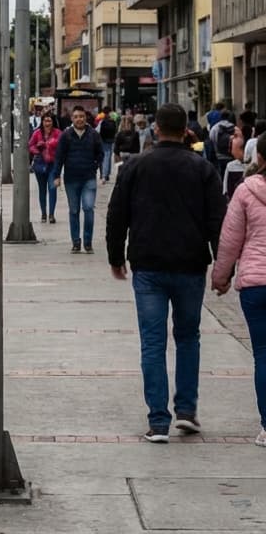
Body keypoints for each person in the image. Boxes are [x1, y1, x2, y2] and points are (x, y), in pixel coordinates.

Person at [106, 103, 226, 443]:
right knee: (188, 338)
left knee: (153, 343)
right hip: (190, 264)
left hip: (148, 266)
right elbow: (217, 221)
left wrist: (116, 257)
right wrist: (222, 266)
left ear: (156, 129)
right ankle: (186, 411)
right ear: (186, 130)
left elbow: (117, 214)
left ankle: (158, 422)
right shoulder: (203, 169)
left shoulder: (135, 166)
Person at [211, 132, 266, 448]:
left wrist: (220, 277)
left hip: (256, 285)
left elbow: (230, 240)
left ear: (259, 156)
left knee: (263, 354)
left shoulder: (246, 190)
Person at [52, 105, 103, 253]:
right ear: (72, 118)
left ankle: (88, 242)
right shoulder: (66, 135)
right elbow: (59, 156)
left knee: (88, 208)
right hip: (71, 179)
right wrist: (56, 175)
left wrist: (96, 166)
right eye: (76, 117)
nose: (79, 119)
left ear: (85, 118)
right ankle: (76, 242)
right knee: (74, 210)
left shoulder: (93, 134)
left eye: (81, 116)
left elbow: (100, 153)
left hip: (89, 178)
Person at [28, 112, 61, 223]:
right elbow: (30, 145)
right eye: (45, 120)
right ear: (42, 122)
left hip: (53, 165)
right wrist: (37, 150)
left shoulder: (58, 133)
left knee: (52, 188)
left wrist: (51, 144)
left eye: (49, 120)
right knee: (42, 190)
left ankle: (51, 214)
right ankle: (43, 214)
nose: (47, 123)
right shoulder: (37, 133)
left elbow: (62, 146)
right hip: (40, 164)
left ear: (53, 122)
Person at [98, 110, 118, 184]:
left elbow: (98, 131)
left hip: (103, 140)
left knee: (105, 157)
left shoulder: (102, 122)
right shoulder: (113, 122)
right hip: (111, 140)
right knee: (108, 157)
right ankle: (107, 174)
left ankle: (104, 175)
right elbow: (115, 131)